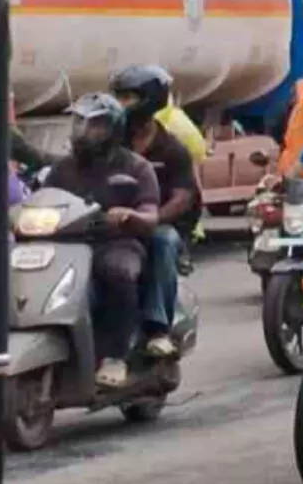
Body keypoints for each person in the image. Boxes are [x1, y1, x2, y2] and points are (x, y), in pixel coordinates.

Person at [44, 92, 161, 389]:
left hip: (116, 243)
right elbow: (41, 199)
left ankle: (116, 355)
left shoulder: (135, 168)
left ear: (113, 129)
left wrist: (129, 215)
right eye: (79, 123)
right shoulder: (62, 170)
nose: (83, 132)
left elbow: (151, 215)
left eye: (94, 125)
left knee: (117, 272)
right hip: (68, 244)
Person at [111, 65, 200, 360]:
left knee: (163, 240)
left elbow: (184, 197)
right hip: (112, 223)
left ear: (150, 99)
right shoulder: (109, 145)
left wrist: (152, 219)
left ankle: (157, 328)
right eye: (119, 97)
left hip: (159, 224)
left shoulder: (172, 149)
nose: (122, 105)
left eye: (129, 98)